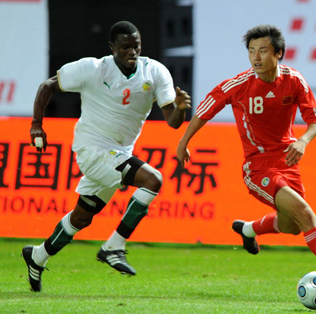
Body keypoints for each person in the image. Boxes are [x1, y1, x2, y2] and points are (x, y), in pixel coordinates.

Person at [176, 25, 316, 295]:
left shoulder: (293, 80)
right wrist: (184, 142)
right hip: (257, 167)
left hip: (288, 163)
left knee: (290, 226)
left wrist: (302, 141)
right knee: (305, 214)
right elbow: (206, 109)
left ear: (278, 53)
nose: (256, 58)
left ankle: (249, 229)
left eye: (263, 51)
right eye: (252, 51)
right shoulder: (239, 84)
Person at [22, 21, 191, 292]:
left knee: (82, 217)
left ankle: (38, 256)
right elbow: (47, 85)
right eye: (125, 47)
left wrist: (181, 109)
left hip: (119, 153)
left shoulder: (155, 71)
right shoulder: (93, 68)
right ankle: (114, 246)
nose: (132, 51)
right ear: (112, 47)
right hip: (91, 149)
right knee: (153, 180)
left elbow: (172, 120)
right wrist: (36, 124)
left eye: (136, 46)